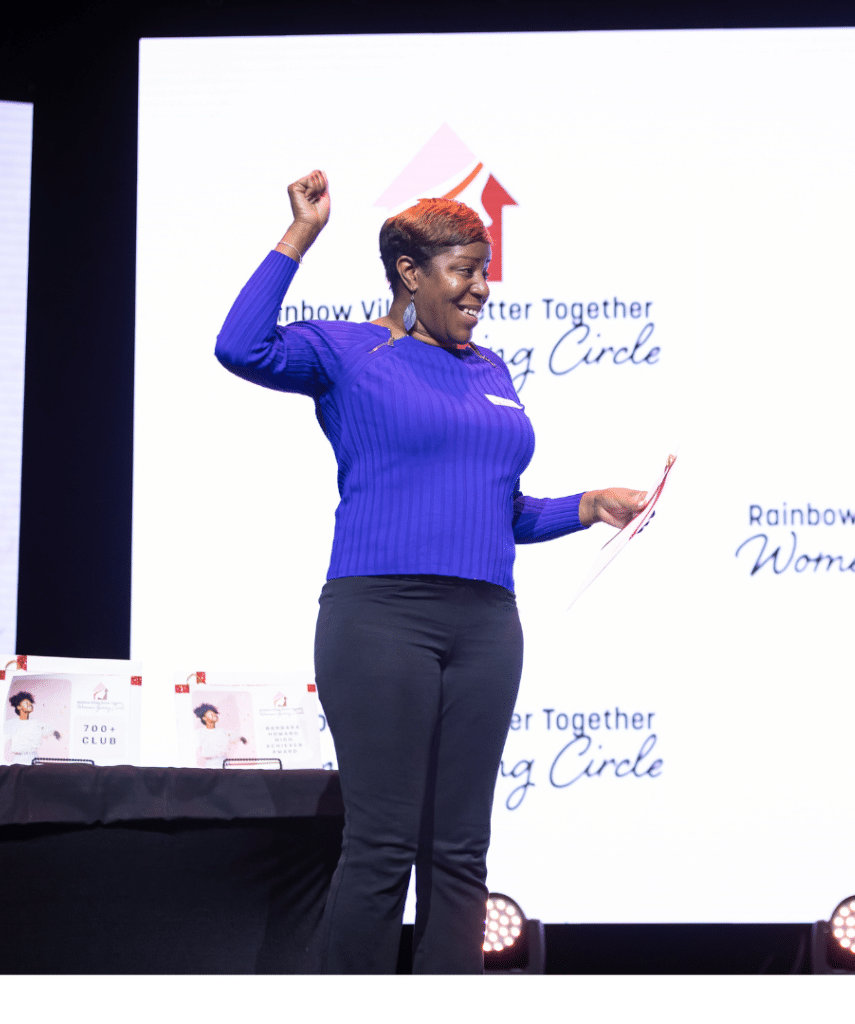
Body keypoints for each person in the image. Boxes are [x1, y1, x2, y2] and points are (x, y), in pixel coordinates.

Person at [214, 170, 647, 974]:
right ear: (411, 273)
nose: (482, 287)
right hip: (381, 618)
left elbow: (500, 512)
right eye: (466, 270)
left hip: (486, 625)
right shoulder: (350, 351)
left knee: (460, 851)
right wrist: (301, 234)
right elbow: (239, 346)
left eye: (484, 270)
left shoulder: (491, 370)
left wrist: (591, 504)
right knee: (381, 846)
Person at [4, 691, 61, 765]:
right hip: (18, 759)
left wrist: (55, 733)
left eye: (30, 703)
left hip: (33, 758)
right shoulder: (12, 724)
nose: (30, 705)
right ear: (18, 707)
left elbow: (48, 730)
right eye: (27, 703)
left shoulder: (36, 723)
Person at [192, 702, 248, 768]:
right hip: (211, 764)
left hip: (224, 763)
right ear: (204, 718)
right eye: (211, 714)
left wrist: (241, 738)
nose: (214, 715)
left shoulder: (222, 732)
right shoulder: (200, 733)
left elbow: (233, 736)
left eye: (214, 713)